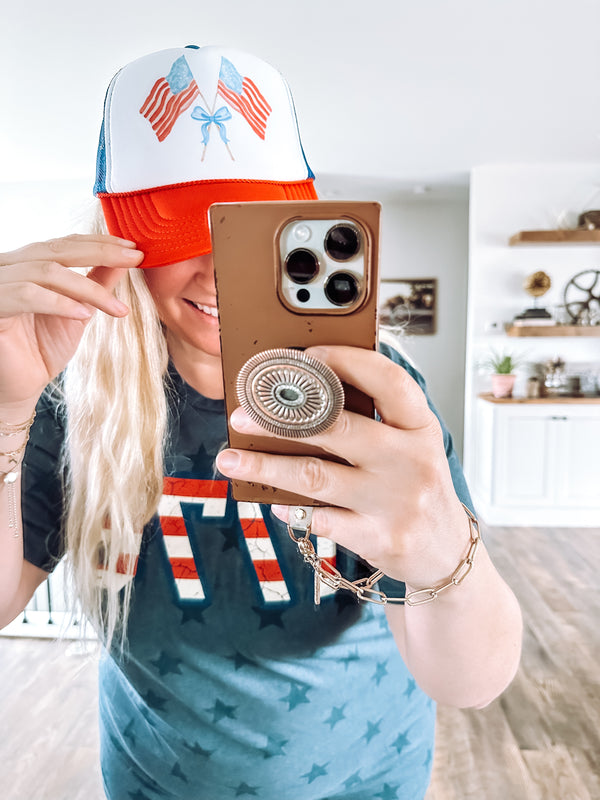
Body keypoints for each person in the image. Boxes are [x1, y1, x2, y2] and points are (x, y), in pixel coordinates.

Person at [0, 45, 522, 800]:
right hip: (154, 781)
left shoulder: (374, 392)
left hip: (367, 779)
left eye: (247, 229)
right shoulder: (65, 391)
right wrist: (4, 409)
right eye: (176, 231)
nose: (215, 268)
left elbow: (470, 679)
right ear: (118, 242)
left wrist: (445, 557)